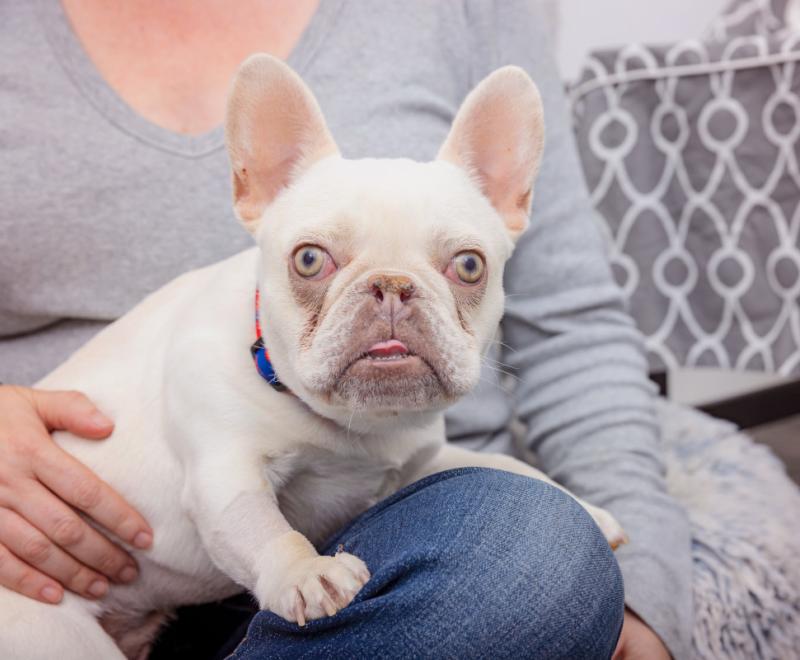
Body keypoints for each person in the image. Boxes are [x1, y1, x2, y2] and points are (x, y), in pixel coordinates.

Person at [0, 0, 691, 657]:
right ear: (257, 189)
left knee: (538, 561)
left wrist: (625, 568)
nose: (390, 300)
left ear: (509, 205)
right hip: (47, 584)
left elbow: (552, 352)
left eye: (465, 267)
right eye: (314, 262)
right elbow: (223, 484)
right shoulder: (212, 352)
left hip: (352, 579)